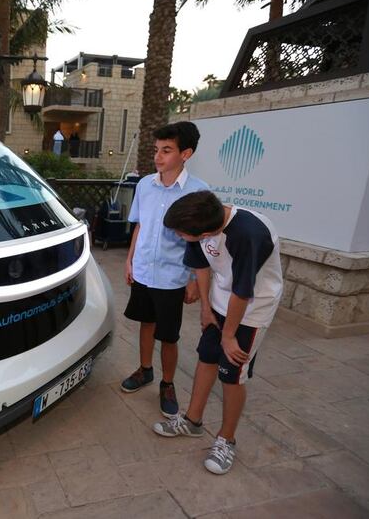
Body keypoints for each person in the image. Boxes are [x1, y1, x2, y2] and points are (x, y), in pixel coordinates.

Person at [152, 190, 283, 475]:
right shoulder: (202, 219)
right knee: (207, 356)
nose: (178, 236)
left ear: (206, 232)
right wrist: (206, 310)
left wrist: (228, 335)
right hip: (223, 300)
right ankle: (193, 421)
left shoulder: (249, 234)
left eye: (181, 233)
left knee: (232, 372)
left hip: (253, 308)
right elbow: (201, 267)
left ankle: (227, 439)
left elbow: (243, 292)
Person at [121, 121, 208, 418]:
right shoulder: (145, 185)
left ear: (186, 153)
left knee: (169, 335)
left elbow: (202, 242)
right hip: (144, 270)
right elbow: (140, 226)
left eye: (166, 150)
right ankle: (145, 370)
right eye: (156, 150)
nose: (158, 157)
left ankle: (167, 383)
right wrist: (130, 259)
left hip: (173, 276)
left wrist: (195, 279)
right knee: (146, 323)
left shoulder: (199, 191)